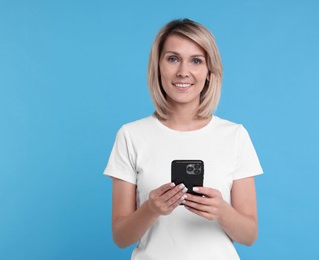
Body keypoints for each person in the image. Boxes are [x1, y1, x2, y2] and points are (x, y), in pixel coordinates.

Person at [104, 18, 263, 260]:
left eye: (196, 61)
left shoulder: (235, 135)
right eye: (173, 58)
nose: (183, 71)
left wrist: (221, 211)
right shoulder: (131, 135)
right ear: (158, 66)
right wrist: (150, 209)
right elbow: (120, 237)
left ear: (209, 72)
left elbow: (249, 235)